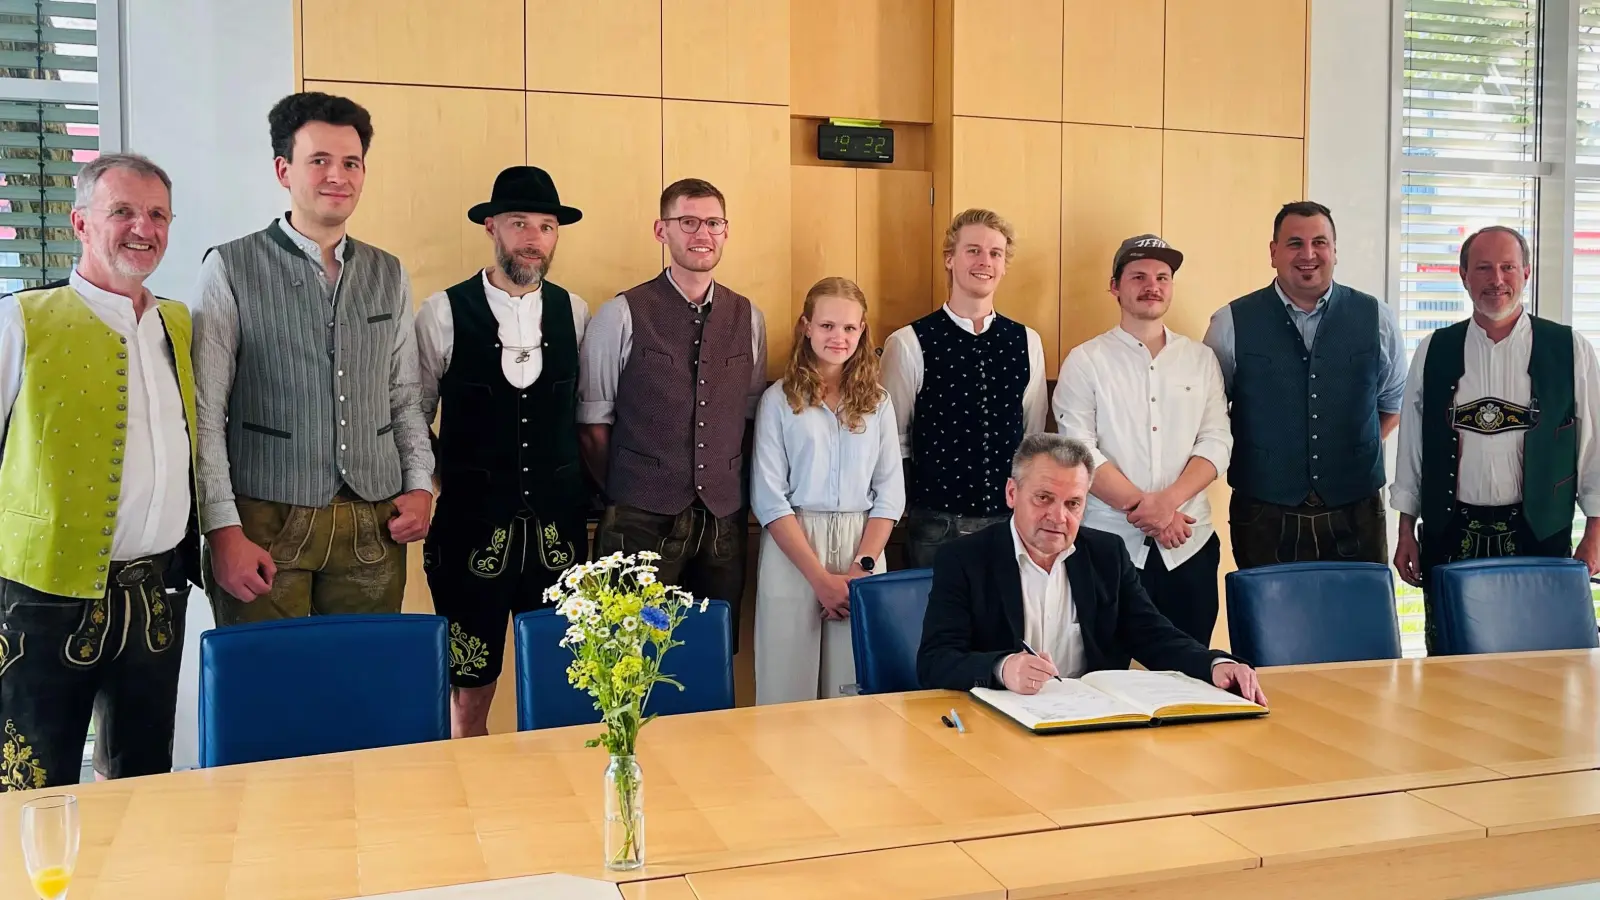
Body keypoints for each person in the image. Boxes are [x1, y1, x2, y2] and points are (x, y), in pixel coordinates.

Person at [193, 91, 435, 625]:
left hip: (372, 518)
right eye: (319, 160)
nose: (337, 176)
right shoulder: (229, 267)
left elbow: (404, 396)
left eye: (351, 163)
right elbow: (206, 413)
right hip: (263, 519)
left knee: (363, 684)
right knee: (265, 686)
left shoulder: (388, 272)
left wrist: (419, 486)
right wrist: (222, 529)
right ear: (283, 170)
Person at [0, 154, 197, 789]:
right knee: (31, 784)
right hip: (42, 599)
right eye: (123, 212)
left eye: (157, 214)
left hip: (154, 595)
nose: (143, 227)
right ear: (80, 223)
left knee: (143, 781)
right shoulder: (20, 319)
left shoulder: (178, 322)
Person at [415, 166, 590, 737]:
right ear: (492, 226)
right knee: (470, 689)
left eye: (545, 226)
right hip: (469, 533)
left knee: (564, 682)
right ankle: (471, 806)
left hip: (559, 534)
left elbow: (589, 415)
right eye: (519, 224)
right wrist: (450, 484)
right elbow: (412, 417)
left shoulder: (577, 313)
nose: (533, 239)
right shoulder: (442, 312)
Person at [916, 434, 1266, 705]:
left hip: (1092, 724)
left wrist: (1216, 664)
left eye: (1073, 504)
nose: (1058, 517)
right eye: (1043, 498)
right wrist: (1001, 668)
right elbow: (936, 661)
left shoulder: (1106, 554)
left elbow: (1154, 636)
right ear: (1012, 493)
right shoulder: (964, 559)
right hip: (1000, 724)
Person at [577, 178, 766, 649]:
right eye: (688, 222)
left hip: (722, 522)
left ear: (726, 231)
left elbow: (748, 415)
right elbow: (592, 426)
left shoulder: (749, 317)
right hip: (638, 520)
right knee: (628, 656)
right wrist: (631, 489)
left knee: (712, 654)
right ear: (662, 231)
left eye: (713, 223)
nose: (702, 233)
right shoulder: (621, 313)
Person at [1392, 226, 1600, 651]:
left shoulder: (1569, 348)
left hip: (1539, 533)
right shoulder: (1434, 350)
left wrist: (1595, 534)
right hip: (1451, 532)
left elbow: (1594, 448)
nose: (1497, 280)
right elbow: (1413, 448)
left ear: (1526, 272)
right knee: (1453, 659)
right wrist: (1405, 531)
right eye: (1484, 268)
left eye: (1507, 267)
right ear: (1464, 275)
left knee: (1539, 661)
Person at [1203, 201, 1407, 569]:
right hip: (1263, 512)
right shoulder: (1230, 322)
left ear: (1334, 250)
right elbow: (1210, 414)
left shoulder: (1378, 318)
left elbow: (1392, 402)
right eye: (1295, 243)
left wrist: (1347, 458)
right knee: (1265, 622)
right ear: (1273, 252)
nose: (1308, 254)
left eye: (1320, 242)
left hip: (1356, 510)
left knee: (1358, 621)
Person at [1053, 235, 1232, 644]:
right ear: (1115, 286)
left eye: (1162, 277)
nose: (1152, 285)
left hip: (1188, 541)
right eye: (1138, 276)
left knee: (1190, 675)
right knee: (1099, 676)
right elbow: (1079, 451)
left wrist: (1166, 507)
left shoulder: (1200, 360)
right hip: (1106, 545)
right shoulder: (1086, 361)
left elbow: (1216, 441)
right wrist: (1145, 510)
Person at [751, 277, 904, 704]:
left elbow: (890, 492)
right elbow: (768, 496)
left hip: (863, 544)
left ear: (862, 332)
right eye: (827, 326)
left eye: (850, 328)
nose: (839, 337)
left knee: (854, 685)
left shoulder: (878, 402)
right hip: (795, 548)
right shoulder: (778, 400)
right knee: (787, 680)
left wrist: (861, 571)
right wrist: (820, 580)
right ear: (806, 326)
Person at [881, 208, 1049, 570]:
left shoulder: (1028, 342)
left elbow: (1031, 438)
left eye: (995, 253)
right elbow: (893, 441)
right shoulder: (909, 342)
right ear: (949, 259)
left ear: (1004, 265)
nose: (985, 261)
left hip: (1009, 525)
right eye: (973, 250)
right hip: (935, 527)